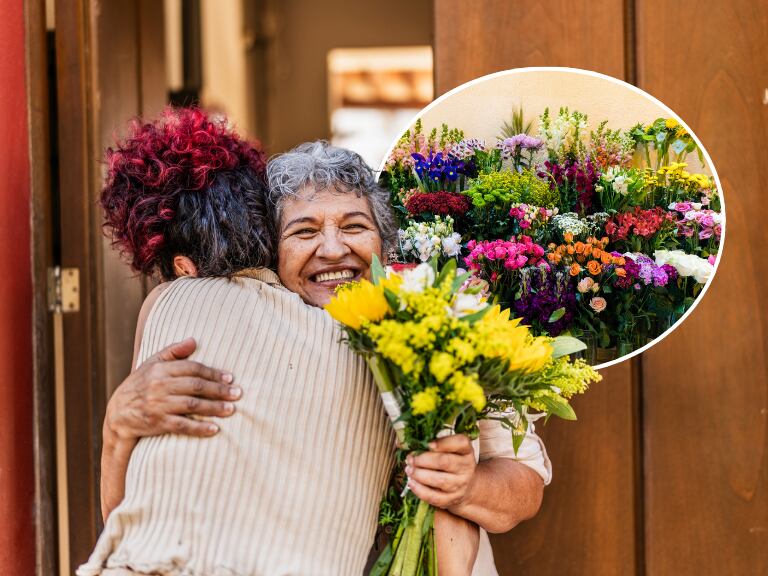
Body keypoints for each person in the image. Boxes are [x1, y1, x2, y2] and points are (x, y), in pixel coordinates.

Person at [85, 111, 550, 575]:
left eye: (353, 227)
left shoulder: (440, 325)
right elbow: (125, 518)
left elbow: (523, 487)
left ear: (386, 250)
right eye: (304, 232)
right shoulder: (232, 338)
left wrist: (465, 486)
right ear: (271, 250)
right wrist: (117, 429)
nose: (332, 249)